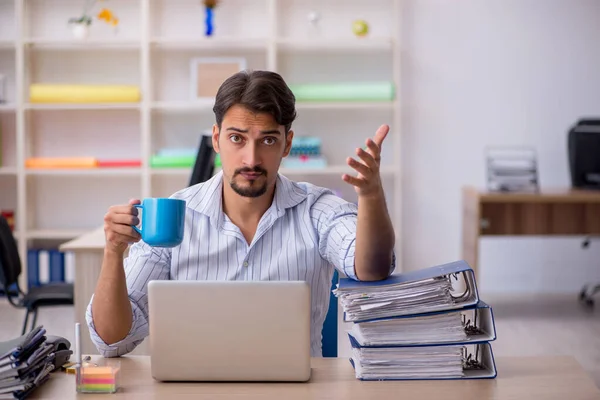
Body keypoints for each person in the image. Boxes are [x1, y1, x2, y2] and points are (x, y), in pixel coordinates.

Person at [86, 70, 396, 358]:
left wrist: (370, 195)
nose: (251, 158)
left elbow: (372, 268)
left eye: (268, 140)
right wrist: (114, 251)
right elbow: (113, 341)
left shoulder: (317, 210)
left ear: (287, 144)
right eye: (237, 138)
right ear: (216, 139)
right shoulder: (176, 215)